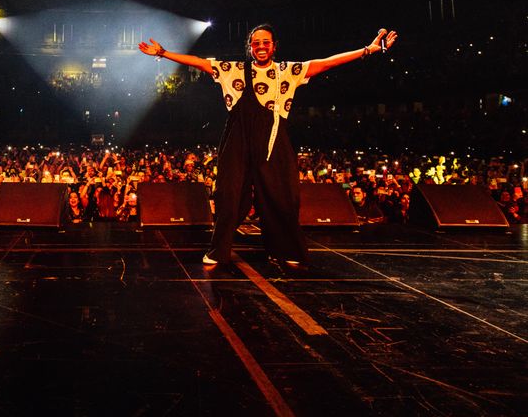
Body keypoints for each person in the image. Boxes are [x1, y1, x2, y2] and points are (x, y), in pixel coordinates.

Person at [139, 24, 397, 271]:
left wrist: (367, 50)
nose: (260, 46)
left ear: (274, 46)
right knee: (229, 195)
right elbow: (200, 62)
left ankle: (287, 251)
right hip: (237, 140)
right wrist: (164, 53)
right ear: (250, 47)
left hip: (273, 141)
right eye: (256, 43)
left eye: (265, 42)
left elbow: (328, 61)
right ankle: (218, 250)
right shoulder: (234, 69)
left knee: (282, 197)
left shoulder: (288, 71)